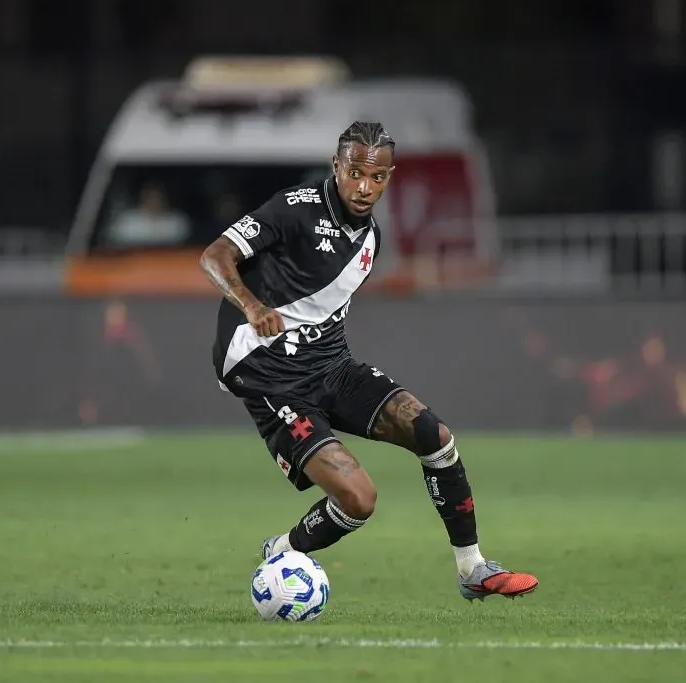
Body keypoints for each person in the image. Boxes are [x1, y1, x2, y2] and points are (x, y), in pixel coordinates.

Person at [199, 121, 538, 601]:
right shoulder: (293, 209)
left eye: (376, 177)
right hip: (271, 377)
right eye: (354, 172)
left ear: (389, 177)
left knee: (434, 435)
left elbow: (323, 309)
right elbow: (215, 256)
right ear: (337, 166)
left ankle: (473, 568)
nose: (364, 187)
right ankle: (285, 549)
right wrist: (252, 307)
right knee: (359, 501)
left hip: (331, 366)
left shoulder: (370, 240)